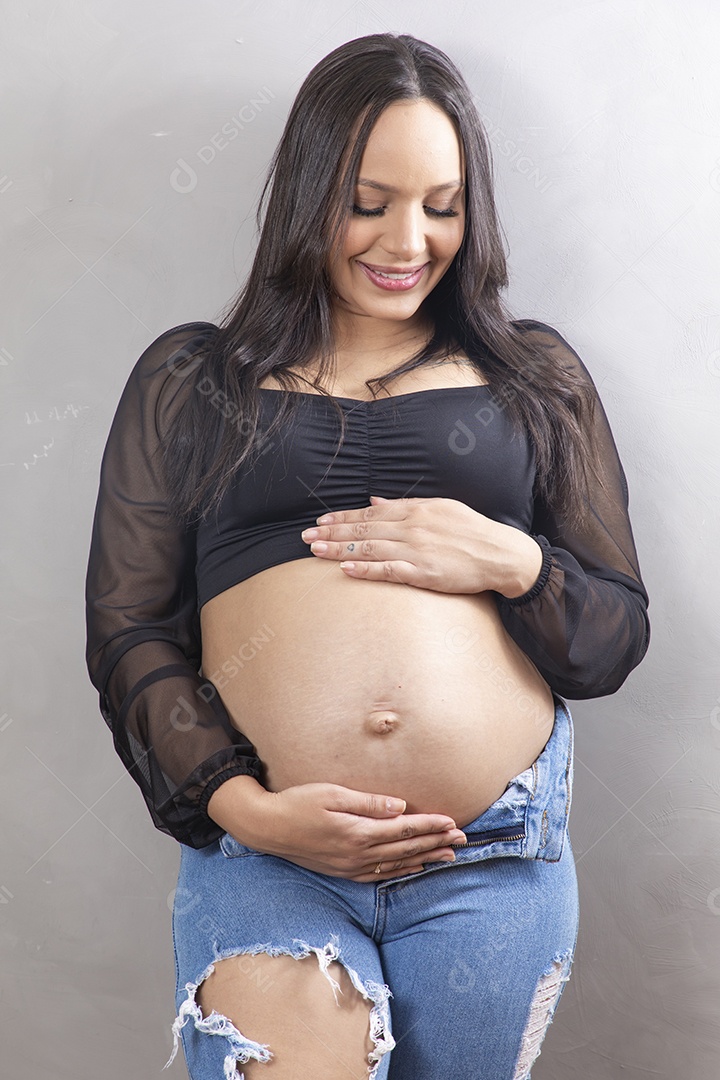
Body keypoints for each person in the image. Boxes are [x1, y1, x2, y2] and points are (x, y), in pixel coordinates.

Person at [84, 31, 650, 1080]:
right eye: (368, 202)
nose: (408, 240)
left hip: (489, 859)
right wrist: (247, 809)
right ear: (309, 195)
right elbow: (131, 630)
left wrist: (510, 560)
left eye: (443, 206)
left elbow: (611, 638)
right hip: (271, 857)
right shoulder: (193, 379)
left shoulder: (534, 378)